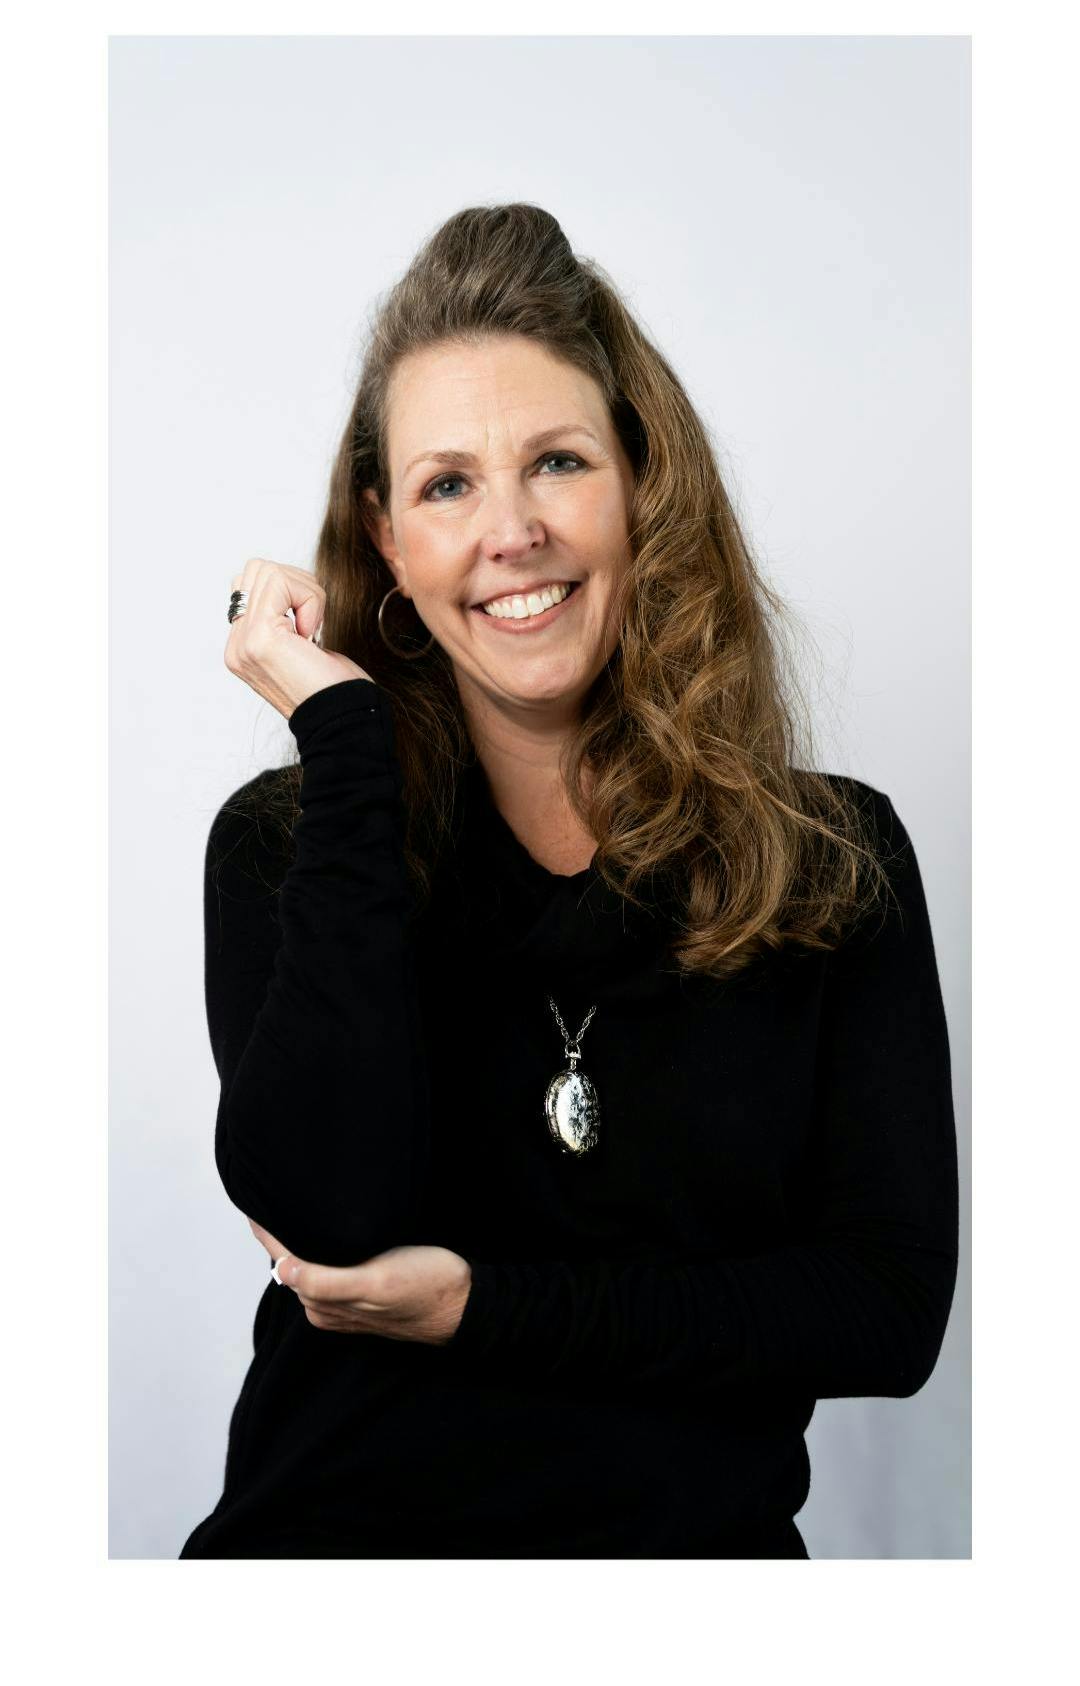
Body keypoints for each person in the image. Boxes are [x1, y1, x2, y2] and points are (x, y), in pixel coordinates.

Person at [178, 203, 959, 1560]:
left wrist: (487, 1306)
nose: (512, 531)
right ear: (389, 540)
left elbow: (885, 1312)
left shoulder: (834, 863)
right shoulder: (289, 841)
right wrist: (346, 744)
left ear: (642, 481)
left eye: (556, 461)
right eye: (446, 485)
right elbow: (328, 1224)